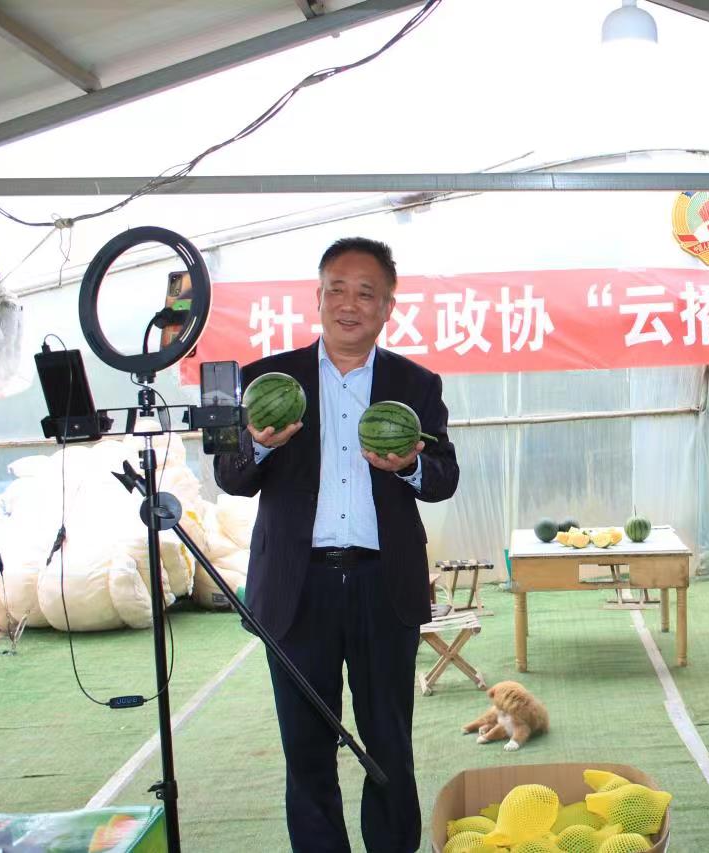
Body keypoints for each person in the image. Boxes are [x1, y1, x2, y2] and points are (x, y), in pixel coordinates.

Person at [215, 237, 458, 852]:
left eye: (366, 293)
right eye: (337, 290)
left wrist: (409, 465)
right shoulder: (267, 380)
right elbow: (230, 476)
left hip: (384, 588)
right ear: (318, 297)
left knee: (389, 747)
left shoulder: (416, 384)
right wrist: (260, 444)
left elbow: (444, 477)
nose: (350, 304)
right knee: (306, 752)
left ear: (388, 306)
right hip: (297, 590)